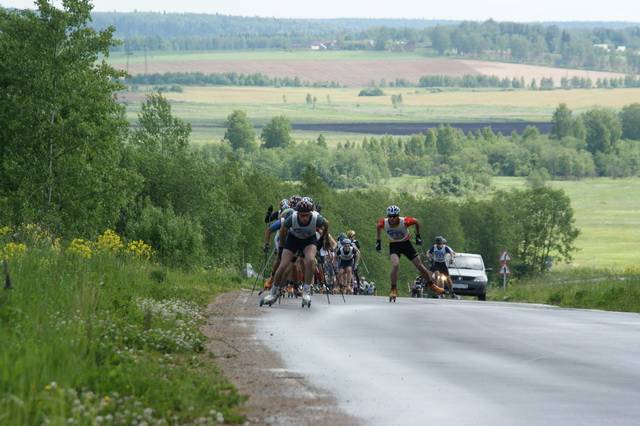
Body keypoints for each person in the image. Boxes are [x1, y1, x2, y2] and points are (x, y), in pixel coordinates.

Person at [263, 197, 329, 308]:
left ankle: (306, 291)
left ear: (311, 213)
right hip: (293, 239)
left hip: (309, 240)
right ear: (297, 213)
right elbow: (283, 230)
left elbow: (326, 224)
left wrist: (323, 239)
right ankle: (272, 293)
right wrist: (282, 247)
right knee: (283, 264)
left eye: (307, 215)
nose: (304, 218)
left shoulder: (316, 218)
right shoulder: (291, 218)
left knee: (311, 260)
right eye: (301, 215)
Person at [376, 205, 444, 302]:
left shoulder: (404, 221)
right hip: (394, 245)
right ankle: (393, 289)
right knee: (395, 265)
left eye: (394, 216)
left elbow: (416, 221)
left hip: (406, 244)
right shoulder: (384, 222)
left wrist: (418, 236)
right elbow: (378, 226)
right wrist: (378, 241)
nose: (392, 218)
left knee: (420, 266)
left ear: (398, 216)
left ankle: (432, 285)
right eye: (390, 216)